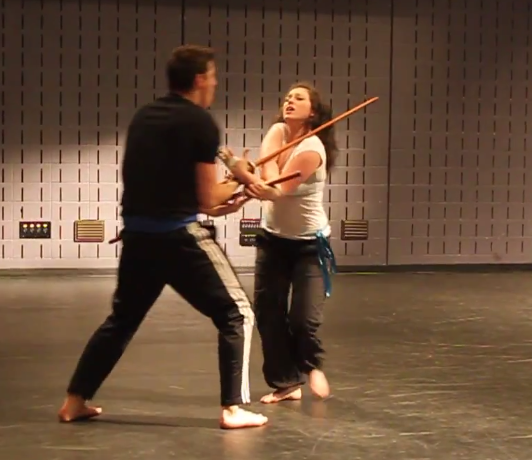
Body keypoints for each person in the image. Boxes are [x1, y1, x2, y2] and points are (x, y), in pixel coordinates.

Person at [57, 44, 269, 430]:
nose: (216, 83)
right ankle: (234, 408)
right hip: (179, 240)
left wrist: (235, 181)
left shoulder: (145, 116)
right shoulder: (200, 123)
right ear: (200, 79)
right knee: (237, 313)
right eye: (213, 77)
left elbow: (179, 183)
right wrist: (239, 187)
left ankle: (74, 402)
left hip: (138, 239)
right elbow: (208, 201)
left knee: (122, 320)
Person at [245, 82, 338, 404]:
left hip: (309, 246)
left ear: (313, 112)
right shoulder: (277, 132)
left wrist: (260, 178)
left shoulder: (312, 149)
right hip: (273, 240)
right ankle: (286, 383)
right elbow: (268, 179)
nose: (290, 101)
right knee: (268, 313)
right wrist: (262, 178)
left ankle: (311, 365)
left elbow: (276, 188)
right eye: (287, 97)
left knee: (302, 318)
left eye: (298, 98)